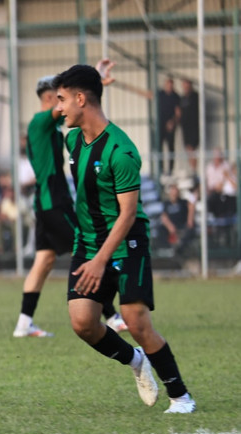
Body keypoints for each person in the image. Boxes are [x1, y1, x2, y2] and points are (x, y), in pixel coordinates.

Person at [53, 64, 195, 413]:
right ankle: (135, 361)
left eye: (62, 99)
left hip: (127, 243)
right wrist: (96, 78)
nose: (59, 107)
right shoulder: (73, 139)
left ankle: (181, 397)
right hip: (87, 243)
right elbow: (65, 120)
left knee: (136, 321)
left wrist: (101, 261)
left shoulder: (122, 151)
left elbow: (128, 213)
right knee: (83, 323)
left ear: (81, 99)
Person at [14, 62, 126, 339]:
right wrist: (90, 83)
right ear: (50, 97)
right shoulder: (41, 121)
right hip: (53, 202)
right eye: (60, 97)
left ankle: (23, 323)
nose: (64, 103)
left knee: (44, 261)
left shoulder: (50, 129)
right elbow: (73, 104)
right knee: (85, 249)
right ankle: (111, 315)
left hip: (47, 202)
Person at [158, 183, 195, 255]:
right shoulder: (166, 204)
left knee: (190, 230)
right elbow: (164, 216)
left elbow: (191, 206)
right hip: (171, 227)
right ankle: (166, 249)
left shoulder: (183, 202)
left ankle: (181, 248)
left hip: (182, 225)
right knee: (160, 229)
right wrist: (170, 226)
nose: (174, 195)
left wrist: (190, 220)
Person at [178, 79, 199, 173]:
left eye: (187, 86)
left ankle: (194, 170)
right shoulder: (182, 98)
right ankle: (192, 169)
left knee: (192, 149)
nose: (185, 88)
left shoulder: (195, 96)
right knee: (188, 149)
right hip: (185, 127)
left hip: (194, 127)